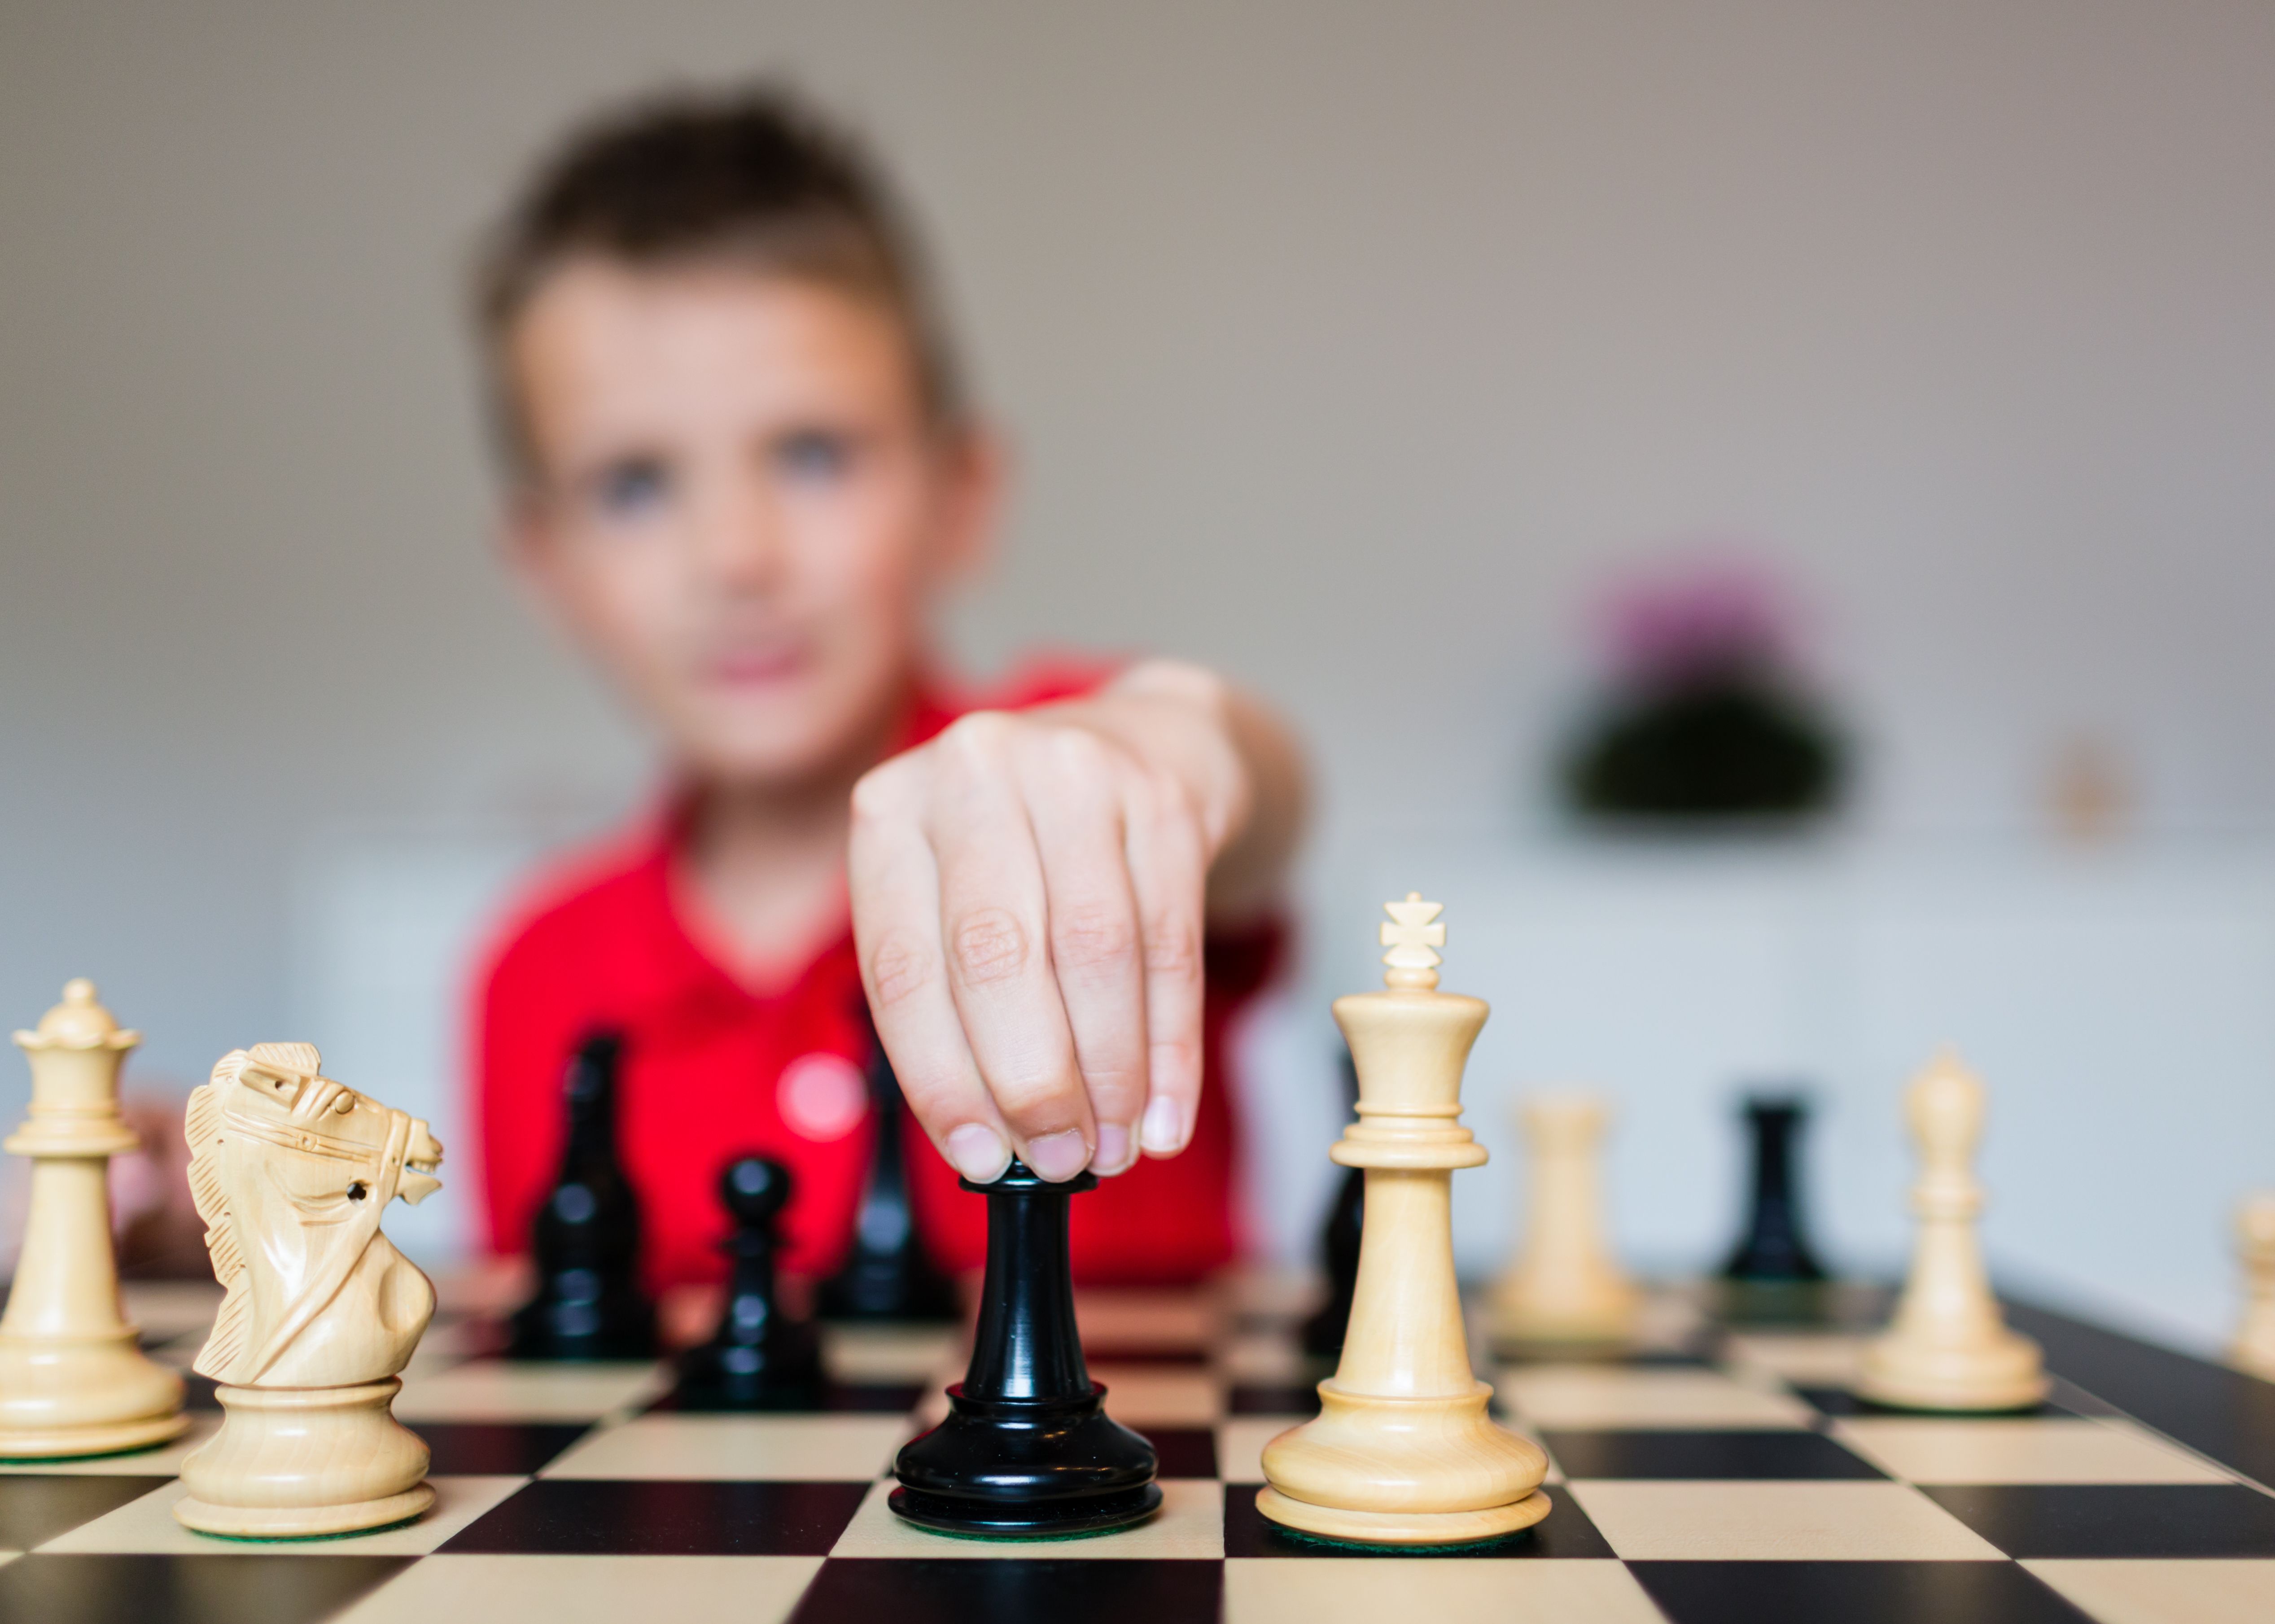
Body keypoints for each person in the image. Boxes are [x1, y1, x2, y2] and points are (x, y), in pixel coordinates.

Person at [469, 85, 1305, 1290]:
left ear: (959, 495)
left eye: (812, 453)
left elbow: (1266, 793)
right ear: (546, 569)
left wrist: (1170, 744)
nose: (736, 557)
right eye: (636, 484)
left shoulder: (1068, 787)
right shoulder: (532, 977)